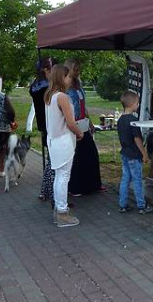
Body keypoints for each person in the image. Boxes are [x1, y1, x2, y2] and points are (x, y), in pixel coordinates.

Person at [44, 64, 84, 227]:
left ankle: (59, 209)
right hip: (63, 140)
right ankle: (62, 212)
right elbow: (71, 123)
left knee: (59, 176)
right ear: (62, 77)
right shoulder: (62, 97)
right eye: (68, 76)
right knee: (63, 177)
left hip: (54, 140)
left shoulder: (50, 95)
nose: (70, 79)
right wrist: (79, 133)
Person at [64, 59, 105, 196]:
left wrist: (90, 124)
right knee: (78, 157)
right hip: (73, 124)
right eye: (75, 69)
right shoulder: (66, 89)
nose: (78, 72)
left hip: (83, 123)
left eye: (78, 69)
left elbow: (84, 107)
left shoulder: (79, 86)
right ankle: (76, 187)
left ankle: (94, 185)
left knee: (91, 154)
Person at [117, 91, 153, 214]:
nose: (138, 105)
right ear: (133, 104)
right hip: (134, 155)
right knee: (137, 180)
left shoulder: (120, 120)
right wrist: (144, 154)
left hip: (124, 153)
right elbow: (137, 139)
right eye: (137, 103)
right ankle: (141, 205)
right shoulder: (133, 120)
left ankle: (123, 204)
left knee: (125, 179)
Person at [29, 57, 54, 201]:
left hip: (43, 124)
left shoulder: (35, 85)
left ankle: (45, 190)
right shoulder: (47, 87)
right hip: (51, 123)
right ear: (46, 70)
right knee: (53, 160)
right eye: (51, 68)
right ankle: (49, 190)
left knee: (50, 159)